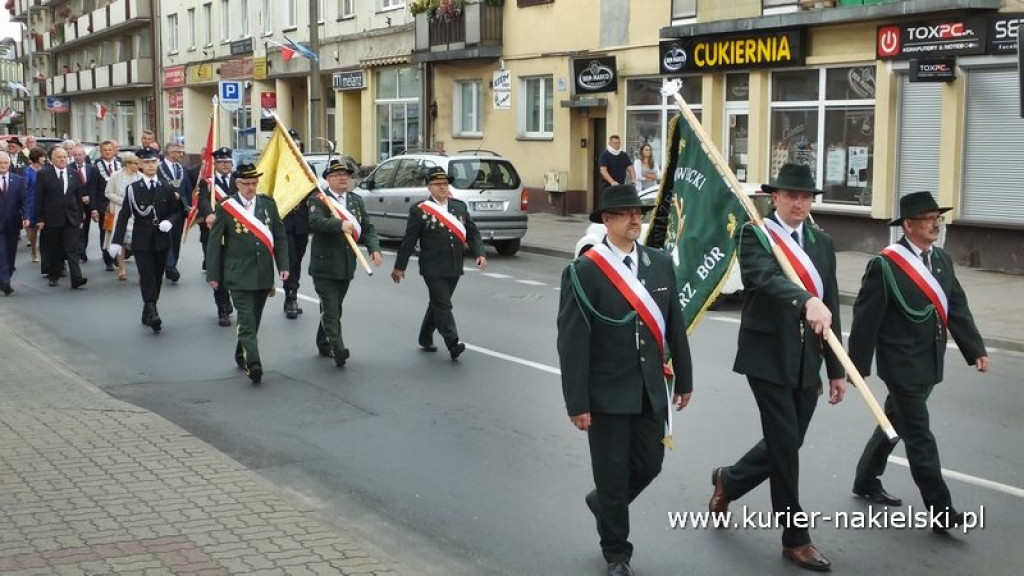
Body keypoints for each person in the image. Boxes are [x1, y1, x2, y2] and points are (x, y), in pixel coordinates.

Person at [709, 163, 845, 571]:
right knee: (785, 445)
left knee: (789, 441)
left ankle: (729, 480)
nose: (800, 202)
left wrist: (836, 368)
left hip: (807, 358)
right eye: (791, 195)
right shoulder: (756, 235)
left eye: (806, 196)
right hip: (766, 355)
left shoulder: (821, 243)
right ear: (775, 198)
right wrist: (806, 300)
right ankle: (795, 538)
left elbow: (831, 304)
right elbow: (764, 278)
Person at [557, 184, 692, 576]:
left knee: (650, 464)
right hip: (605, 392)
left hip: (651, 388)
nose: (636, 219)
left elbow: (674, 326)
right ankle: (617, 553)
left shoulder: (659, 263)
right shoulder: (585, 271)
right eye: (626, 213)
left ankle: (604, 504)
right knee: (613, 475)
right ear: (607, 220)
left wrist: (684, 377)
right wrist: (577, 402)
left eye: (640, 212)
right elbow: (572, 342)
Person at [849, 190, 989, 534]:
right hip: (900, 365)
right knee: (920, 436)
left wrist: (976, 350)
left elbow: (956, 306)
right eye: (929, 219)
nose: (936, 224)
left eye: (938, 218)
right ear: (908, 225)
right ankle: (941, 509)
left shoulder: (941, 260)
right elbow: (866, 320)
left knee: (893, 421)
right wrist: (854, 368)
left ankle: (865, 478)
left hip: (929, 361)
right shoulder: (885, 265)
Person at [205, 164, 289, 385]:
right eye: (247, 184)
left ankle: (241, 353)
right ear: (238, 184)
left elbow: (279, 236)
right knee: (246, 320)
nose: (251, 188)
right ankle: (254, 364)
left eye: (254, 183)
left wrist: (283, 265)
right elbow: (214, 243)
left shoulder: (267, 205)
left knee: (254, 319)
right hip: (238, 274)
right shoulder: (226, 207)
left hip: (263, 273)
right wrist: (213, 274)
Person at [391, 166, 486, 360]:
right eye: (437, 184)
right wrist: (400, 267)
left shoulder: (459, 207)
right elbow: (409, 240)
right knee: (443, 304)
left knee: (438, 303)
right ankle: (453, 342)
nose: (442, 187)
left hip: (454, 264)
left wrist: (480, 253)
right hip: (432, 266)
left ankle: (425, 337)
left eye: (445, 183)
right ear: (429, 187)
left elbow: (472, 232)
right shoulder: (420, 210)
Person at [308, 159, 382, 366]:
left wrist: (374, 249)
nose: (343, 178)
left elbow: (367, 227)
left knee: (335, 307)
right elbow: (315, 222)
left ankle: (323, 342)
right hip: (324, 265)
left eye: (345, 175)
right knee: (331, 308)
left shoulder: (355, 201)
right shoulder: (319, 200)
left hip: (347, 264)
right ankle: (337, 348)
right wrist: (340, 224)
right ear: (328, 179)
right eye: (337, 175)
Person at [108, 148, 183, 333]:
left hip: (161, 240)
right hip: (141, 240)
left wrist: (169, 221)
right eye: (147, 162)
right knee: (147, 275)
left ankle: (147, 309)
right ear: (140, 165)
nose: (150, 165)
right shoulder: (133, 189)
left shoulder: (166, 187)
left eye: (153, 162)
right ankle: (152, 311)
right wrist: (116, 241)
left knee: (157, 276)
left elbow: (177, 211)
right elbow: (124, 216)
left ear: (157, 163)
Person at [35, 146, 88, 289]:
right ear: (52, 159)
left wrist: (80, 216)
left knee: (72, 249)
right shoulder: (44, 174)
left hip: (71, 218)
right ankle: (53, 275)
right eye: (59, 157)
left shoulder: (74, 174)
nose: (62, 159)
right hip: (51, 218)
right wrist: (39, 218)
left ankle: (76, 278)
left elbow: (78, 197)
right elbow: (38, 197)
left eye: (64, 157)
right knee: (54, 249)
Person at [197, 146, 236, 326]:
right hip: (213, 231)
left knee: (233, 268)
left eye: (227, 162)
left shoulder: (238, 180)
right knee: (217, 269)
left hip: (235, 233)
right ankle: (222, 305)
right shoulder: (207, 183)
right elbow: (203, 200)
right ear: (215, 164)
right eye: (221, 162)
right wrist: (209, 213)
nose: (225, 165)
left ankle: (232, 299)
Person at [281, 129, 310, 320]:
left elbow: (313, 191)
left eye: (297, 144)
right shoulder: (279, 168)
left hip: (301, 221)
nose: (295, 147)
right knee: (290, 259)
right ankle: (291, 296)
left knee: (297, 260)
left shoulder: (306, 167)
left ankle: (291, 292)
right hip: (284, 221)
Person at [157, 142, 193, 282]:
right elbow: (157, 185)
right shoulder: (159, 168)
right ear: (170, 153)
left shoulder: (182, 168)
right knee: (167, 238)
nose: (181, 154)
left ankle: (171, 265)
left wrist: (189, 206)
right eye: (179, 152)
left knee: (176, 239)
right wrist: (170, 194)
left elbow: (188, 188)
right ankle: (170, 266)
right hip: (164, 209)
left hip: (179, 209)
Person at [104, 152, 141, 281]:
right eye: (135, 163)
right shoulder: (116, 176)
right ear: (127, 164)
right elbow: (108, 192)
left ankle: (141, 271)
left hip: (137, 213)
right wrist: (122, 201)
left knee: (138, 241)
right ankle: (121, 268)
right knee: (121, 240)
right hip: (121, 212)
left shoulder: (140, 176)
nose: (137, 166)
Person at [0, 152, 32, 296]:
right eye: (0, 163)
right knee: (1, 252)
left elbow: (24, 200)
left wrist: (26, 216)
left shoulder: (18, 180)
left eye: (5, 163)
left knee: (11, 252)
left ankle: (6, 276)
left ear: (9, 164)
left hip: (13, 222)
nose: (2, 166)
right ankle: (5, 281)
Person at [70, 145, 102, 264]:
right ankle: (77, 251)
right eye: (76, 155)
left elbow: (94, 186)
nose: (78, 157)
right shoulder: (70, 168)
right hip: (75, 204)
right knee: (76, 228)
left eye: (80, 155)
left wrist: (91, 202)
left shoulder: (91, 168)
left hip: (89, 203)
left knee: (86, 228)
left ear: (84, 155)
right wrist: (80, 198)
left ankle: (82, 250)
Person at [93, 140, 122, 271]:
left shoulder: (120, 164)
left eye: (110, 150)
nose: (108, 152)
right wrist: (94, 208)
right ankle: (107, 259)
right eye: (105, 150)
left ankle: (117, 256)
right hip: (104, 205)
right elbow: (93, 189)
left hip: (119, 204)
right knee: (106, 231)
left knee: (119, 231)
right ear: (101, 152)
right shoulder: (95, 167)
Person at [22, 147, 45, 264]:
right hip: (32, 203)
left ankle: (44, 252)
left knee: (45, 229)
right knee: (34, 230)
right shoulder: (27, 171)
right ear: (36, 158)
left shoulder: (44, 170)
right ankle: (34, 252)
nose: (44, 159)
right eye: (42, 156)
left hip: (44, 202)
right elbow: (25, 189)